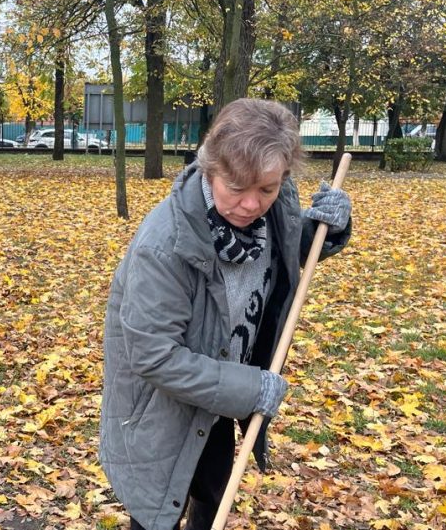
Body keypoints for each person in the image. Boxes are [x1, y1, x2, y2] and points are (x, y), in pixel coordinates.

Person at [99, 98, 352, 530]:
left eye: (267, 190)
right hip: (160, 409)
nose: (252, 204)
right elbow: (155, 356)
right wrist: (251, 388)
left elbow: (289, 250)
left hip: (217, 395)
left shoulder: (273, 208)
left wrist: (330, 227)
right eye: (236, 187)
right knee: (159, 511)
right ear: (210, 168)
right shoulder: (164, 247)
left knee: (212, 492)